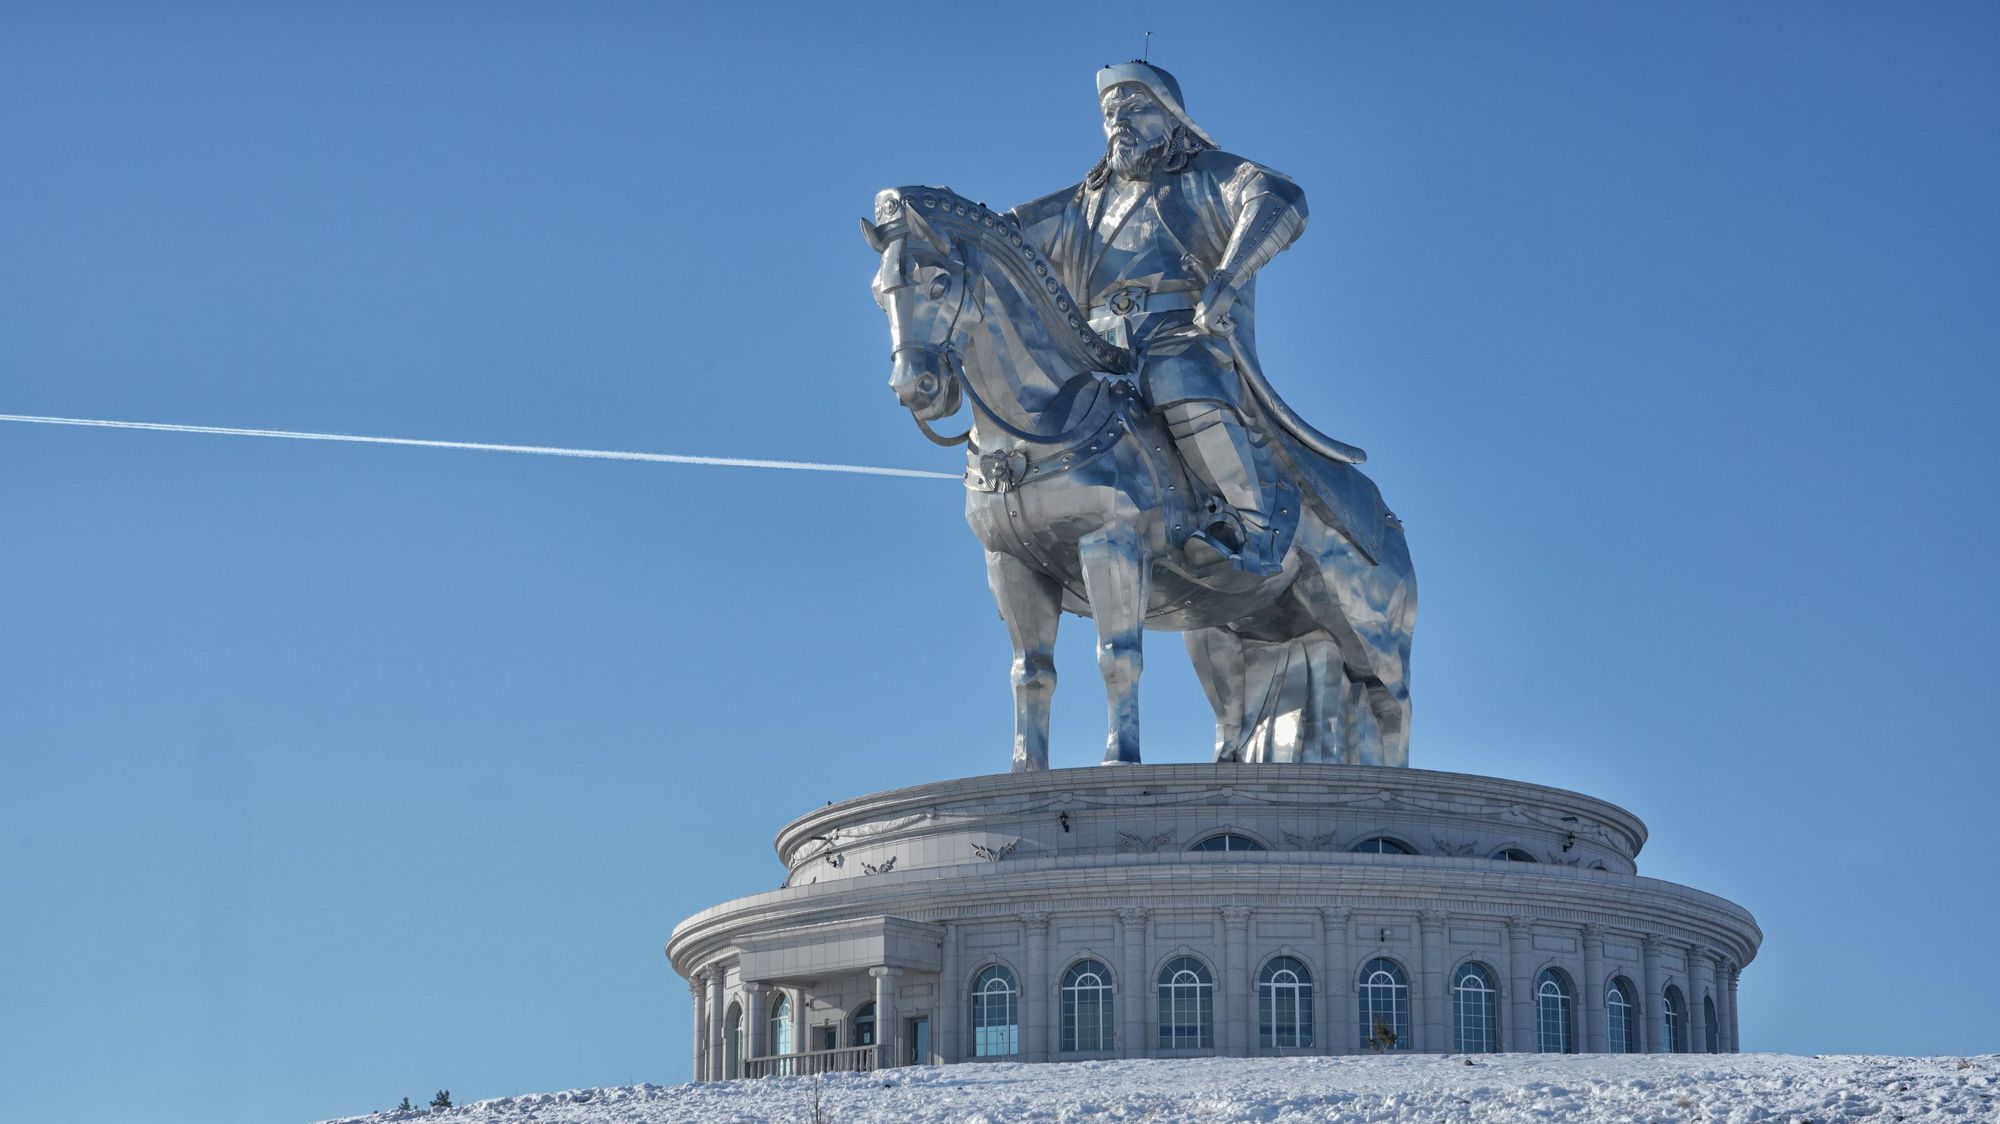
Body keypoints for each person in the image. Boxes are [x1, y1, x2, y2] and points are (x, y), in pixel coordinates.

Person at [1009, 60, 1309, 574]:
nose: (1119, 120)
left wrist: (1230, 273)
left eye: (1136, 106)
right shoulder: (1081, 204)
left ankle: (1252, 521)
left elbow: (1279, 197)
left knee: (1177, 373)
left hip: (1179, 331)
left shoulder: (1207, 176)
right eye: (1109, 112)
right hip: (1089, 344)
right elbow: (1003, 236)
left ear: (1172, 118)